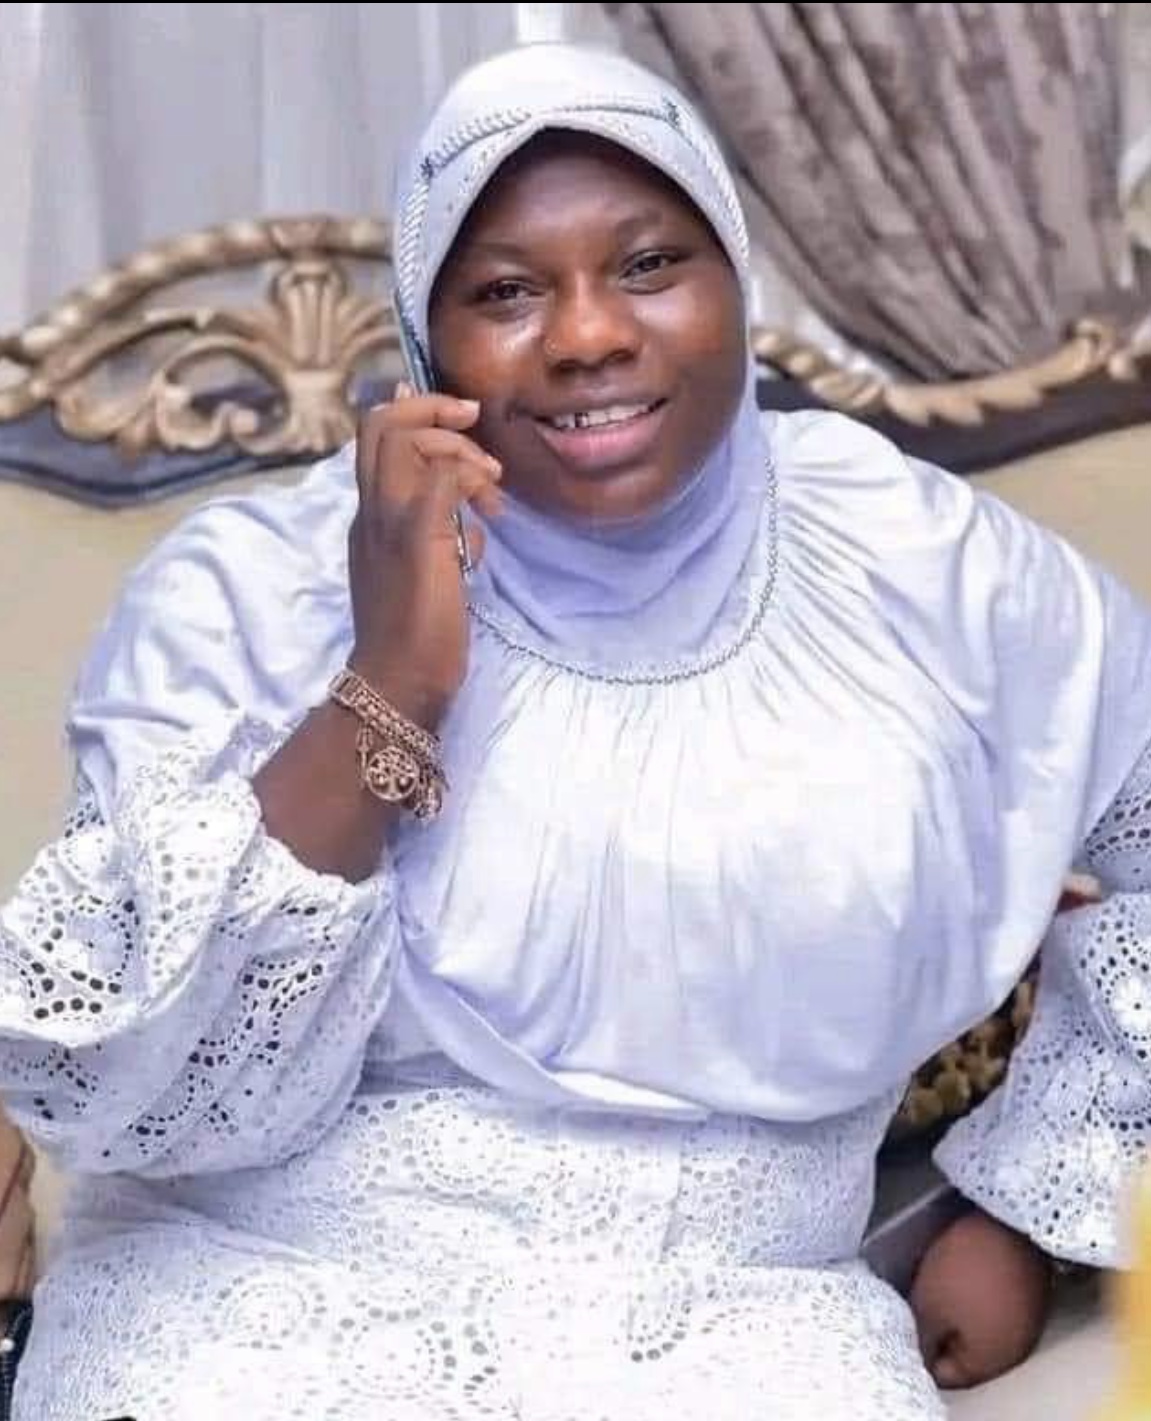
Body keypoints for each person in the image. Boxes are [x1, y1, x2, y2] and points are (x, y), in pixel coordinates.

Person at [0, 41, 1148, 1421]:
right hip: (238, 1301)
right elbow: (122, 1087)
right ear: (425, 336)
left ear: (736, 278)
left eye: (651, 264)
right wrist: (392, 674)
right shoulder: (244, 594)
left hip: (740, 1323)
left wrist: (1028, 1204)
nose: (589, 334)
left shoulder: (927, 565)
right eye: (505, 291)